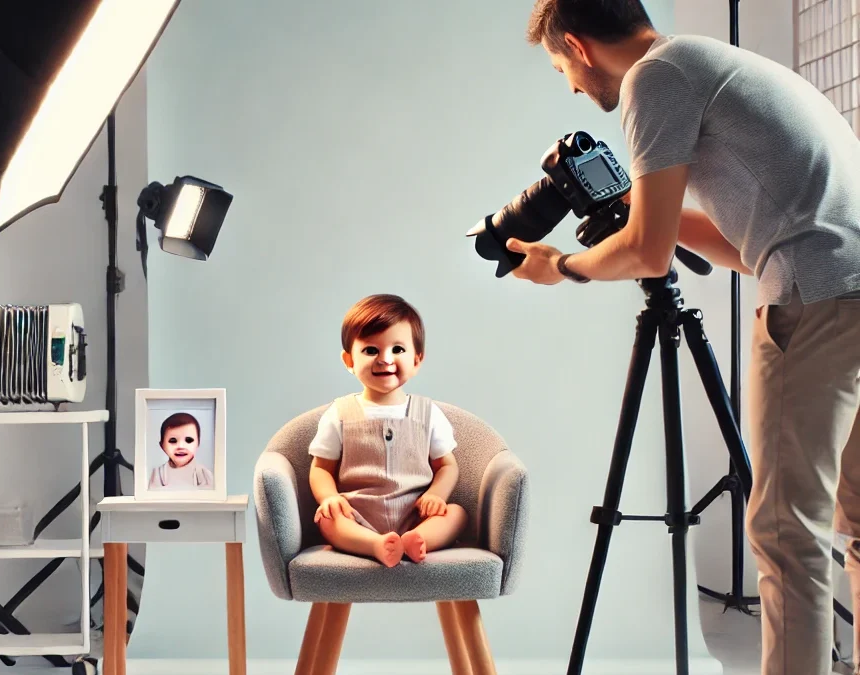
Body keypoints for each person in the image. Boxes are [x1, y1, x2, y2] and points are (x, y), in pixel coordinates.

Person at [509, 2, 860, 674]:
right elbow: (722, 240)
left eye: (562, 70)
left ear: (579, 47)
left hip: (812, 304)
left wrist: (563, 267)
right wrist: (638, 226)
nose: (573, 89)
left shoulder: (654, 77)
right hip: (850, 291)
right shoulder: (711, 62)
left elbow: (646, 253)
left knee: (788, 534)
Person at [307, 293, 468, 567]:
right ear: (349, 360)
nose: (385, 359)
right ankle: (375, 545)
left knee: (457, 513)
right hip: (357, 516)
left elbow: (447, 465)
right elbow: (321, 468)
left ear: (417, 360)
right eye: (371, 351)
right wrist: (330, 497)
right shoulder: (339, 413)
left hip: (416, 515)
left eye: (398, 350)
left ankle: (416, 539)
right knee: (328, 519)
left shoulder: (428, 413)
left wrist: (436, 495)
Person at [149, 411, 214, 490]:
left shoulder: (203, 474)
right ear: (162, 446)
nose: (180, 446)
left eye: (189, 440)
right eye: (173, 441)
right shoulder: (158, 474)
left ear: (198, 443)